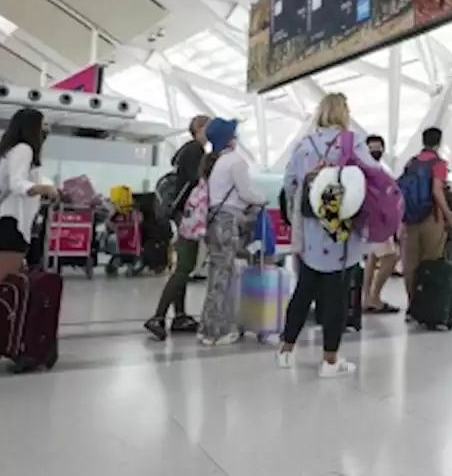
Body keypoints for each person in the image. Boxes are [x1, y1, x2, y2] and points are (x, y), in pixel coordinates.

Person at [277, 93, 373, 377]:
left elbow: (289, 184)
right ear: (344, 112)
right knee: (336, 296)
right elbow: (372, 174)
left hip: (310, 231)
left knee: (303, 290)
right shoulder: (352, 142)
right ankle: (330, 361)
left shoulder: (304, 144)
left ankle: (285, 350)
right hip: (340, 231)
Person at [0, 108, 59, 356]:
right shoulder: (24, 148)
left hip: (3, 220)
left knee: (0, 278)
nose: (47, 130)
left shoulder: (8, 150)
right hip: (10, 221)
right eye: (44, 125)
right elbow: (17, 184)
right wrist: (45, 188)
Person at [197, 117, 266, 346]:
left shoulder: (218, 162)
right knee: (223, 277)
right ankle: (216, 332)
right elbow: (246, 193)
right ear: (230, 140)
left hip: (214, 221)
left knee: (216, 275)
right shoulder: (236, 161)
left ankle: (206, 326)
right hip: (226, 222)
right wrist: (263, 199)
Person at [145, 114, 210, 341]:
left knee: (184, 264)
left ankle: (180, 315)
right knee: (184, 266)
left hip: (181, 212)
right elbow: (194, 181)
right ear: (200, 128)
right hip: (187, 213)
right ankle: (158, 316)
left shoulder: (187, 150)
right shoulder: (195, 150)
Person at [401, 127, 452, 312]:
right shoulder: (438, 163)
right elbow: (436, 191)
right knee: (431, 263)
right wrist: (449, 217)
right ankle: (426, 307)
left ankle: (412, 306)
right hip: (431, 219)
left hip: (410, 219)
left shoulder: (411, 163)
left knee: (410, 265)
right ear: (439, 142)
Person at [361, 134, 400, 314]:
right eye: (372, 148)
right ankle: (374, 297)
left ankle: (366, 297)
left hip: (370, 223)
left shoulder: (371, 168)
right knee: (391, 256)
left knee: (372, 258)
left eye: (378, 148)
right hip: (378, 221)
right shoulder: (375, 170)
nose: (375, 151)